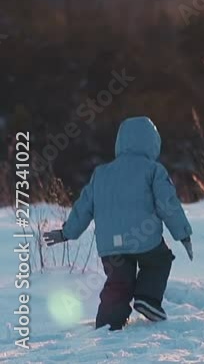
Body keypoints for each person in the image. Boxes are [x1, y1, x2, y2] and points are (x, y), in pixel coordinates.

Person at [43, 116, 194, 330]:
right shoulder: (153, 170)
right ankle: (148, 299)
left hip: (110, 246)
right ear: (153, 143)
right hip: (144, 239)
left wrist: (66, 233)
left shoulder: (101, 173)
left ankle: (108, 323)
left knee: (118, 282)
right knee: (159, 261)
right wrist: (183, 234)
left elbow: (83, 206)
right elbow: (167, 204)